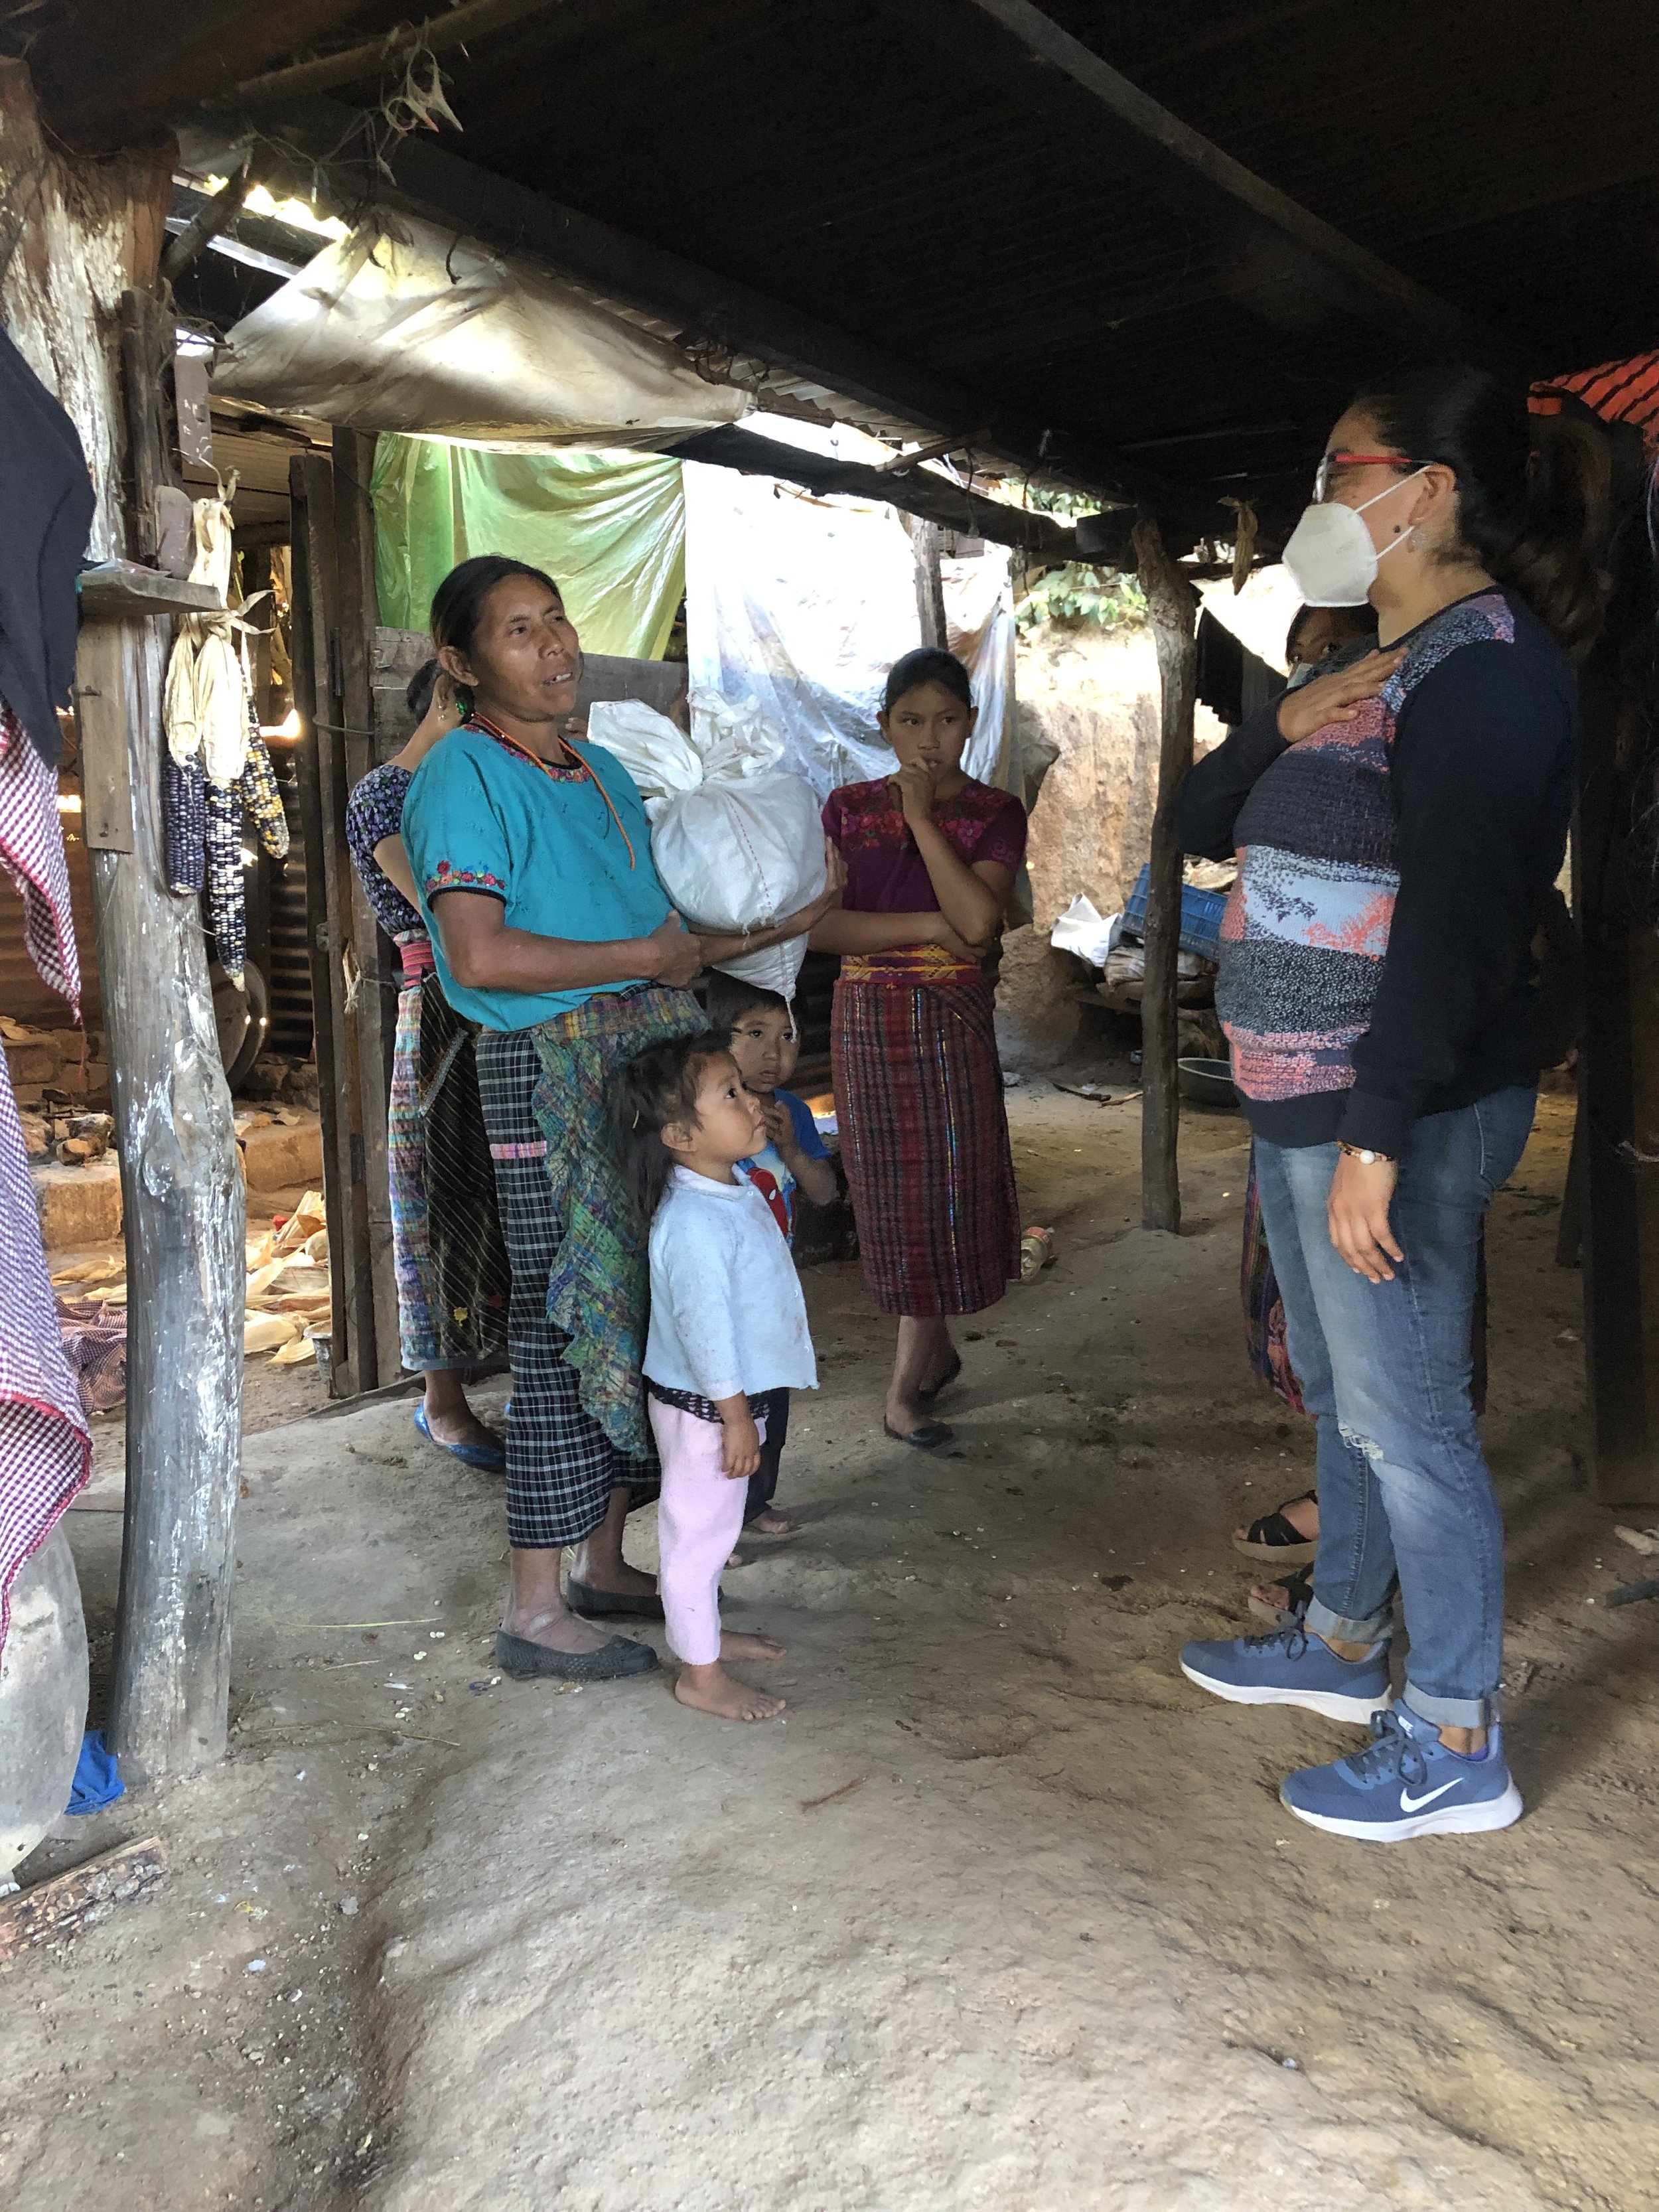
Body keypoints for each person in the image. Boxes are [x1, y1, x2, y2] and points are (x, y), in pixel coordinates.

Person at [1174, 365, 1605, 1841]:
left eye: (1336, 471)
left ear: (1426, 491)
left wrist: (1372, 1129)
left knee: (1408, 1420)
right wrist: (1281, 724)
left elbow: (1460, 925)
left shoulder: (1485, 668)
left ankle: (1453, 1735)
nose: (1319, 503)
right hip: (1326, 1102)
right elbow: (1198, 828)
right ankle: (1345, 1641)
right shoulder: (1392, 662)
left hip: (1395, 1110)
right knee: (1353, 1400)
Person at [399, 555, 837, 1684]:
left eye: (556, 622)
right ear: (462, 662)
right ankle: (535, 1607)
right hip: (545, 1069)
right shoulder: (459, 776)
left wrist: (792, 915)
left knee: (636, 1314)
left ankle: (604, 1564)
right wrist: (648, 958)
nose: (553, 647)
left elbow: (669, 938)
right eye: (516, 631)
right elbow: (480, 953)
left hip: (638, 1059)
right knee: (562, 1319)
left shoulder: (595, 769)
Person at [810, 647, 1027, 1447]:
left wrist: (925, 820)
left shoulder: (996, 810)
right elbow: (823, 927)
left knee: (946, 1187)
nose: (928, 739)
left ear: (969, 722)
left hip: (948, 1024)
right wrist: (934, 926)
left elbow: (982, 922)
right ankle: (924, 1363)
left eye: (945, 720)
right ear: (884, 725)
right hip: (867, 1018)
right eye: (910, 721)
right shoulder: (845, 807)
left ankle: (908, 1384)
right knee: (892, 1197)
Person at [612, 1033, 816, 1721]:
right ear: (678, 1133)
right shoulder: (693, 1223)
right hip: (707, 1409)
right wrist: (734, 1419)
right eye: (729, 1094)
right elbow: (705, 1335)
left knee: (715, 1532)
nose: (751, 1101)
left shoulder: (730, 1187)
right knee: (697, 1539)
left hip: (727, 1403)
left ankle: (706, 1640)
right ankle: (699, 1677)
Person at [344, 660, 509, 1468]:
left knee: (508, 1189)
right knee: (435, 1197)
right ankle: (441, 1402)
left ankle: (513, 1371)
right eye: (475, 717)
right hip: (442, 1011)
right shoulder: (382, 795)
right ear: (446, 705)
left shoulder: (480, 787)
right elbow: (440, 909)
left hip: (508, 1003)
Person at [703, 970, 836, 1536]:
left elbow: (825, 1192)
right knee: (712, 1417)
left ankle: (753, 1505)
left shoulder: (793, 1113)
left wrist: (790, 1148)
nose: (772, 1053)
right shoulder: (705, 1114)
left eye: (787, 1036)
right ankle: (714, 1522)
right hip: (717, 1292)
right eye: (754, 1033)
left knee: (769, 1411)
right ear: (717, 1039)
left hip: (772, 1296)